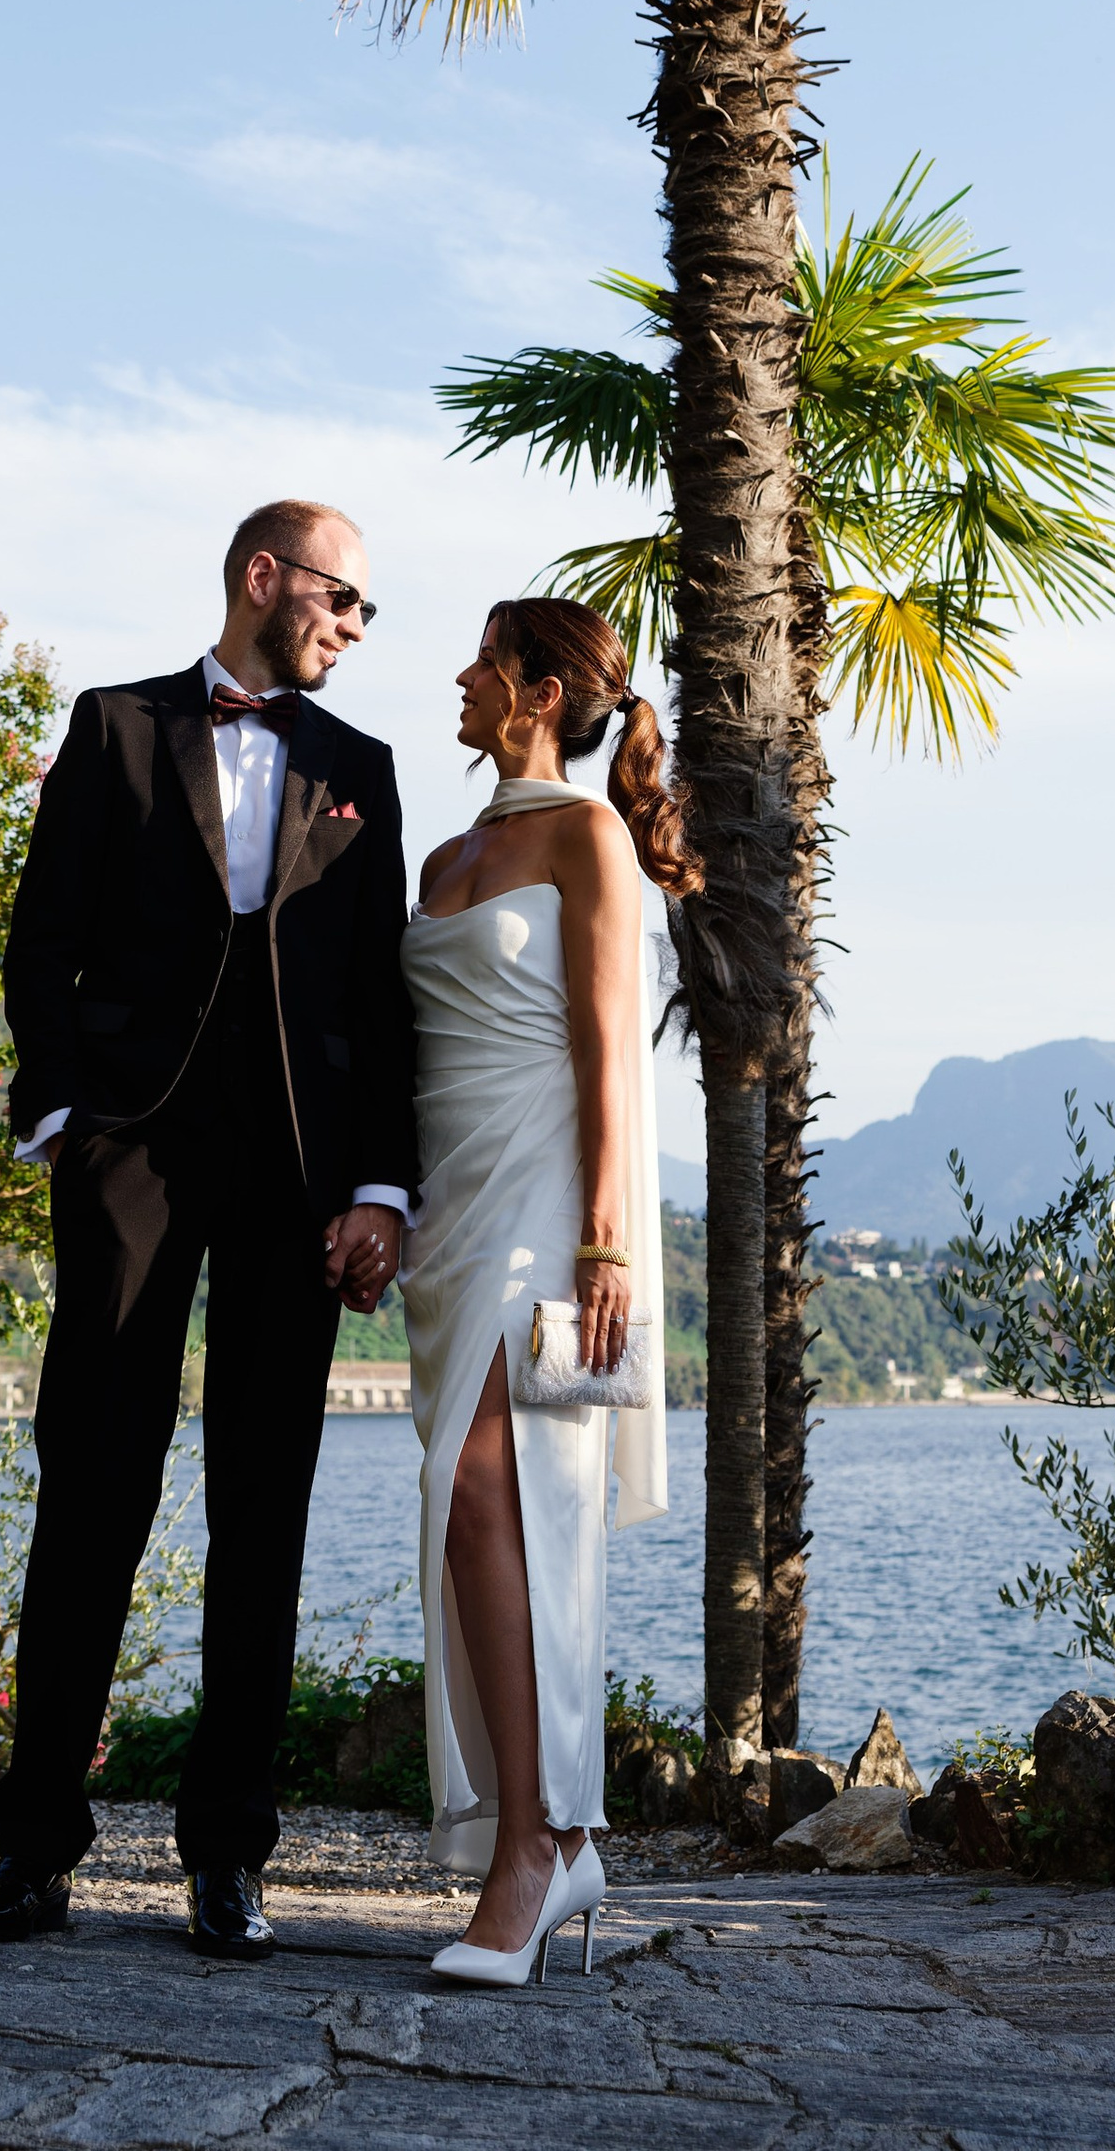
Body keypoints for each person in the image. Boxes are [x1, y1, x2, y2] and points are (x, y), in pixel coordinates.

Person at [0, 500, 417, 1961]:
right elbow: (43, 936)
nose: (354, 626)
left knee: (263, 1510)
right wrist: (61, 1116)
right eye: (343, 597)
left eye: (366, 610)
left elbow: (379, 1001)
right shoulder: (116, 726)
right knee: (92, 1488)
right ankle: (34, 1851)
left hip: (298, 1172)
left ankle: (227, 1859)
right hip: (131, 1154)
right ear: (265, 578)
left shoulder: (362, 770)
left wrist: (381, 1188)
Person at [401, 595, 698, 1987]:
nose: (461, 677)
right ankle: (547, 1837)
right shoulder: (442, 855)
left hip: (548, 1203)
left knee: (497, 1491)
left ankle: (538, 1847)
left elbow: (609, 1051)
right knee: (473, 1514)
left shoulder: (588, 838)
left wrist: (607, 1244)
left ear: (534, 692)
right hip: (449, 1215)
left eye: (485, 660)